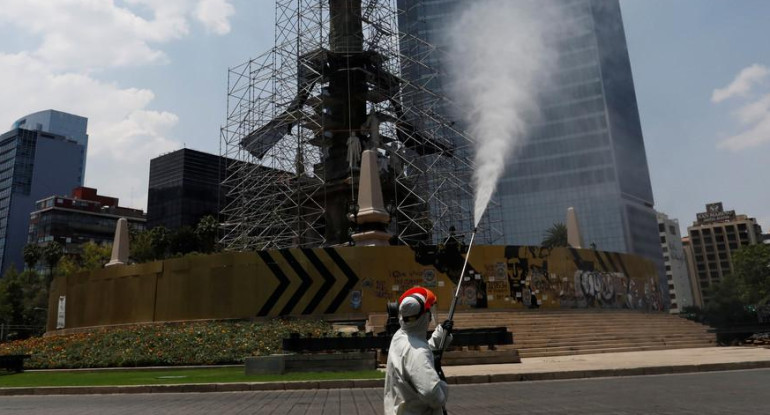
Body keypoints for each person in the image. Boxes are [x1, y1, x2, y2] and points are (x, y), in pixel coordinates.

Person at [384, 287, 454, 415]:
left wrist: (440, 335)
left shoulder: (400, 337)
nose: (430, 317)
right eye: (428, 312)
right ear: (424, 316)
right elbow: (432, 394)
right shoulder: (418, 353)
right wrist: (442, 387)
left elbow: (415, 351)